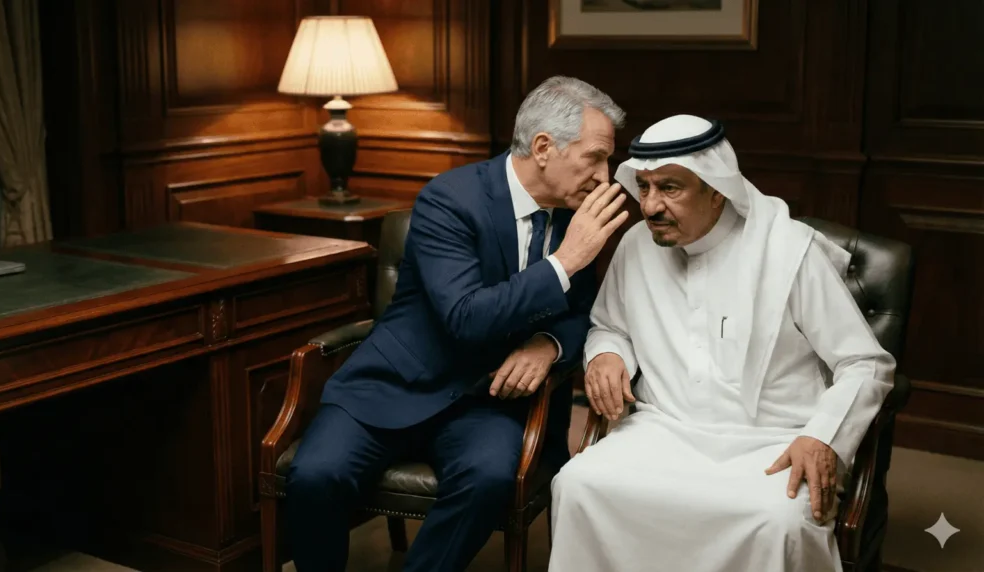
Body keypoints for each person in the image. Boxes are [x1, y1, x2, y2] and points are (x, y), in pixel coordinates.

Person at [285, 76, 630, 572]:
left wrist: (549, 345)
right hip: (395, 384)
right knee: (316, 475)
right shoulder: (450, 200)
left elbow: (585, 313)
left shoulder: (572, 213)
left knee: (488, 480)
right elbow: (466, 317)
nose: (606, 175)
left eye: (609, 160)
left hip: (488, 401)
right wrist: (565, 261)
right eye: (595, 157)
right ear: (543, 147)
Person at [547, 115, 896, 572]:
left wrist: (822, 436)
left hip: (774, 440)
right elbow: (610, 325)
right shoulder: (636, 245)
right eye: (645, 187)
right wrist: (608, 353)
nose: (650, 206)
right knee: (578, 483)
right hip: (663, 429)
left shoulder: (789, 251)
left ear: (717, 189)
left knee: (779, 519)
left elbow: (865, 362)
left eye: (670, 188)